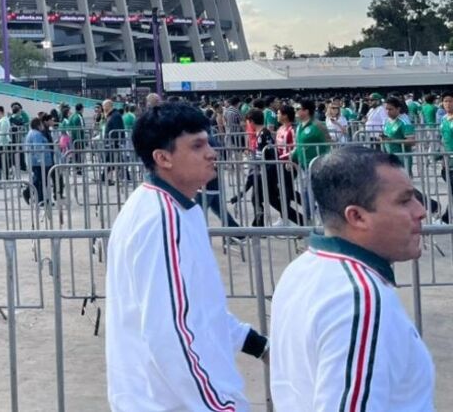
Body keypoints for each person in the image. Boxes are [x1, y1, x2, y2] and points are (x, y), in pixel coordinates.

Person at [106, 102, 266, 411]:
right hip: (172, 402)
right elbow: (167, 331)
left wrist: (258, 346)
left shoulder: (178, 209)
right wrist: (219, 406)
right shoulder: (161, 220)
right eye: (197, 145)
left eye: (209, 141)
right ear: (162, 158)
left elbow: (200, 306)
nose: (211, 152)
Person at [269, 147, 433, 411]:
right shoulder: (360, 298)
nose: (421, 211)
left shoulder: (303, 268)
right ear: (357, 216)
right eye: (404, 201)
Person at [381, 96, 415, 173]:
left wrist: (393, 140)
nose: (388, 112)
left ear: (398, 109)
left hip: (402, 159)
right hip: (390, 158)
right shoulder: (387, 121)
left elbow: (412, 141)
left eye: (390, 109)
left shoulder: (405, 123)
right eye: (386, 109)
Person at [24, 119, 53, 207]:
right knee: (41, 180)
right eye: (41, 124)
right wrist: (41, 160)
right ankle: (40, 199)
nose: (43, 126)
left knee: (38, 179)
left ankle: (29, 193)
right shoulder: (36, 134)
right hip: (38, 162)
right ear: (38, 125)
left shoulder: (32, 133)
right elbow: (38, 147)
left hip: (35, 161)